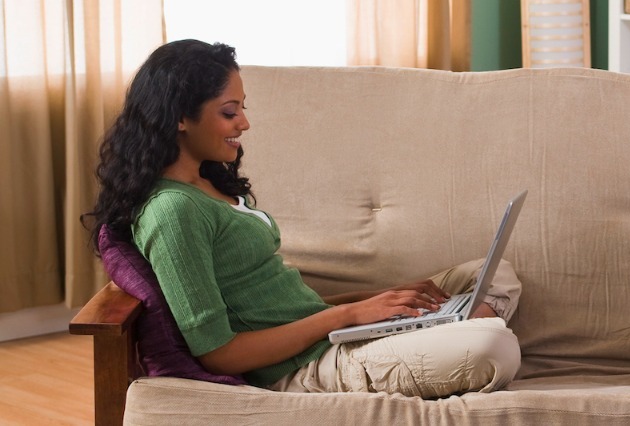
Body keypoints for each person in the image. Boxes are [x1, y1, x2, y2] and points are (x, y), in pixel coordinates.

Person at [86, 39, 522, 397]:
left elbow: (284, 305)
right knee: (495, 346)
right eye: (229, 111)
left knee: (495, 273)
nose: (245, 123)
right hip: (306, 367)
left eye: (242, 107)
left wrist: (379, 298)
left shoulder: (208, 184)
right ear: (181, 117)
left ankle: (443, 324)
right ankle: (452, 330)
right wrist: (350, 316)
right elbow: (219, 353)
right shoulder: (173, 211)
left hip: (328, 335)